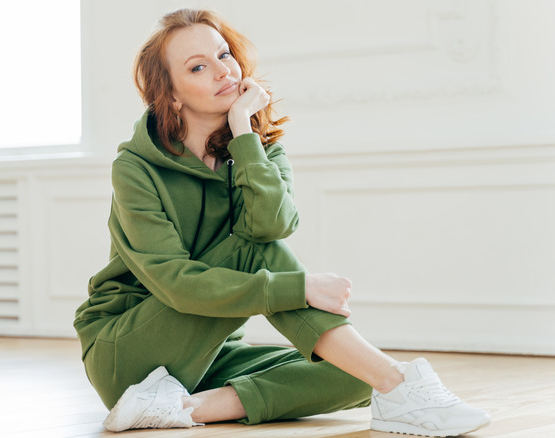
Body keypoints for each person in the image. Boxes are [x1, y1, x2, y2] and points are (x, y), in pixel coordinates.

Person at [74, 8, 491, 437]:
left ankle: (184, 407)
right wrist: (299, 288)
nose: (223, 71)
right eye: (199, 66)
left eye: (224, 55)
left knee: (354, 373)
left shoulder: (256, 145)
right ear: (172, 94)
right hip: (127, 351)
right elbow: (178, 282)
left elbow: (273, 224)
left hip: (211, 354)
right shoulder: (135, 168)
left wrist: (244, 135)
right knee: (255, 249)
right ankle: (401, 383)